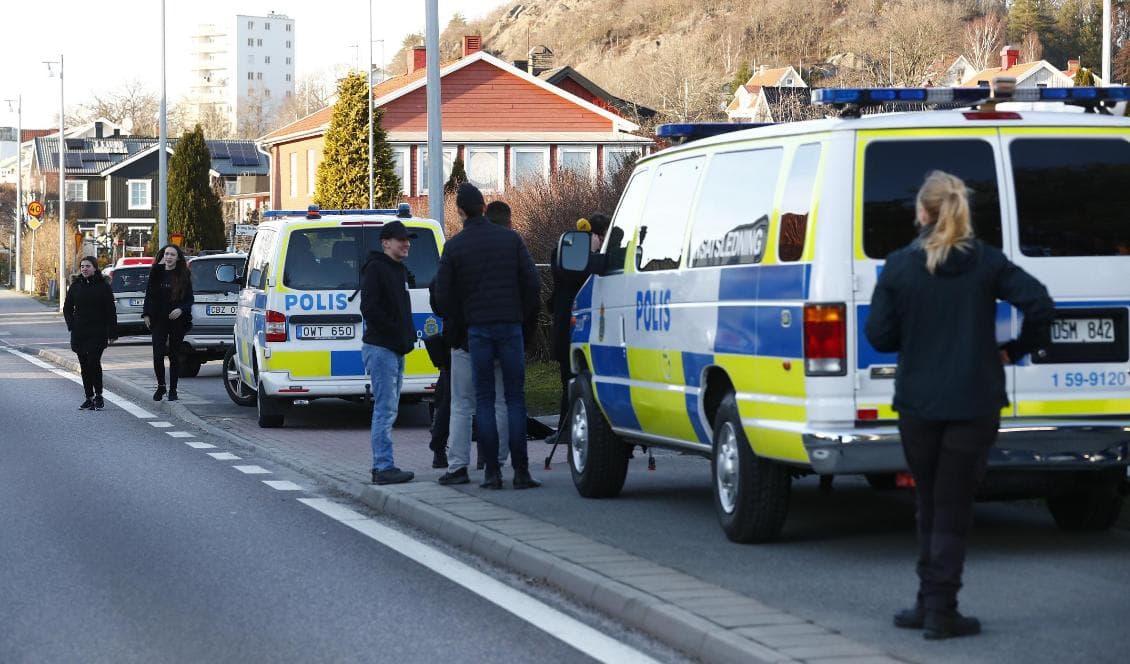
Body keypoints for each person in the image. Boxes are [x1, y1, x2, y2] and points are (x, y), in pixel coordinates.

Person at [865, 171, 1054, 641]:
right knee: (952, 506)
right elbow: (1041, 305)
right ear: (960, 211)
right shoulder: (986, 262)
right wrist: (1013, 347)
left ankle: (930, 605)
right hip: (974, 401)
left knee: (928, 502)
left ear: (923, 213)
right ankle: (939, 607)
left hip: (918, 404)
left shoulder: (899, 266)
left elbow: (880, 336)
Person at [434, 182, 541, 490]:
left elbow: (443, 298)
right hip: (510, 328)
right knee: (513, 400)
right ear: (483, 207)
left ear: (461, 211)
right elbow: (532, 285)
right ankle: (521, 471)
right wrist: (517, 314)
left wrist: (464, 319)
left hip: (476, 331)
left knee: (480, 400)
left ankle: (491, 472)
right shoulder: (511, 240)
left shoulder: (454, 247)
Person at [360, 220, 417, 485]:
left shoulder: (398, 270)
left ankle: (385, 465)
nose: (406, 243)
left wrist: (406, 336)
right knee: (384, 410)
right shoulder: (376, 269)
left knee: (389, 409)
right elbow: (370, 309)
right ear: (385, 243)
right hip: (382, 348)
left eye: (407, 239)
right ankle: (382, 467)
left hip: (394, 348)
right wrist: (396, 333)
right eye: (400, 239)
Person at [546, 214, 609, 444]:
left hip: (591, 325)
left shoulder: (600, 258)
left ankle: (574, 427)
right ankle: (567, 427)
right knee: (569, 378)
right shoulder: (568, 255)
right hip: (571, 323)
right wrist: (589, 253)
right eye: (601, 237)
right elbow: (570, 273)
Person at [64, 256, 117, 410]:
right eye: (82, 266)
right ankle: (89, 397)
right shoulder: (76, 286)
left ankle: (99, 396)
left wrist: (112, 332)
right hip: (79, 332)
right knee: (84, 365)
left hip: (98, 331)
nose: (84, 269)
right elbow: (67, 308)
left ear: (95, 268)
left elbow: (110, 311)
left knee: (93, 362)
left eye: (88, 266)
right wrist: (71, 325)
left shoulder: (103, 286)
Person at [143, 244, 194, 402]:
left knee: (174, 355)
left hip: (177, 320)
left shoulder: (184, 274)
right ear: (162, 256)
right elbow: (149, 295)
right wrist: (146, 314)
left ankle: (173, 390)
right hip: (158, 318)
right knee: (158, 354)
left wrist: (181, 309)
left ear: (177, 258)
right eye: (166, 254)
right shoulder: (156, 272)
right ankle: (161, 386)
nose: (169, 257)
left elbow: (189, 299)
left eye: (172, 254)